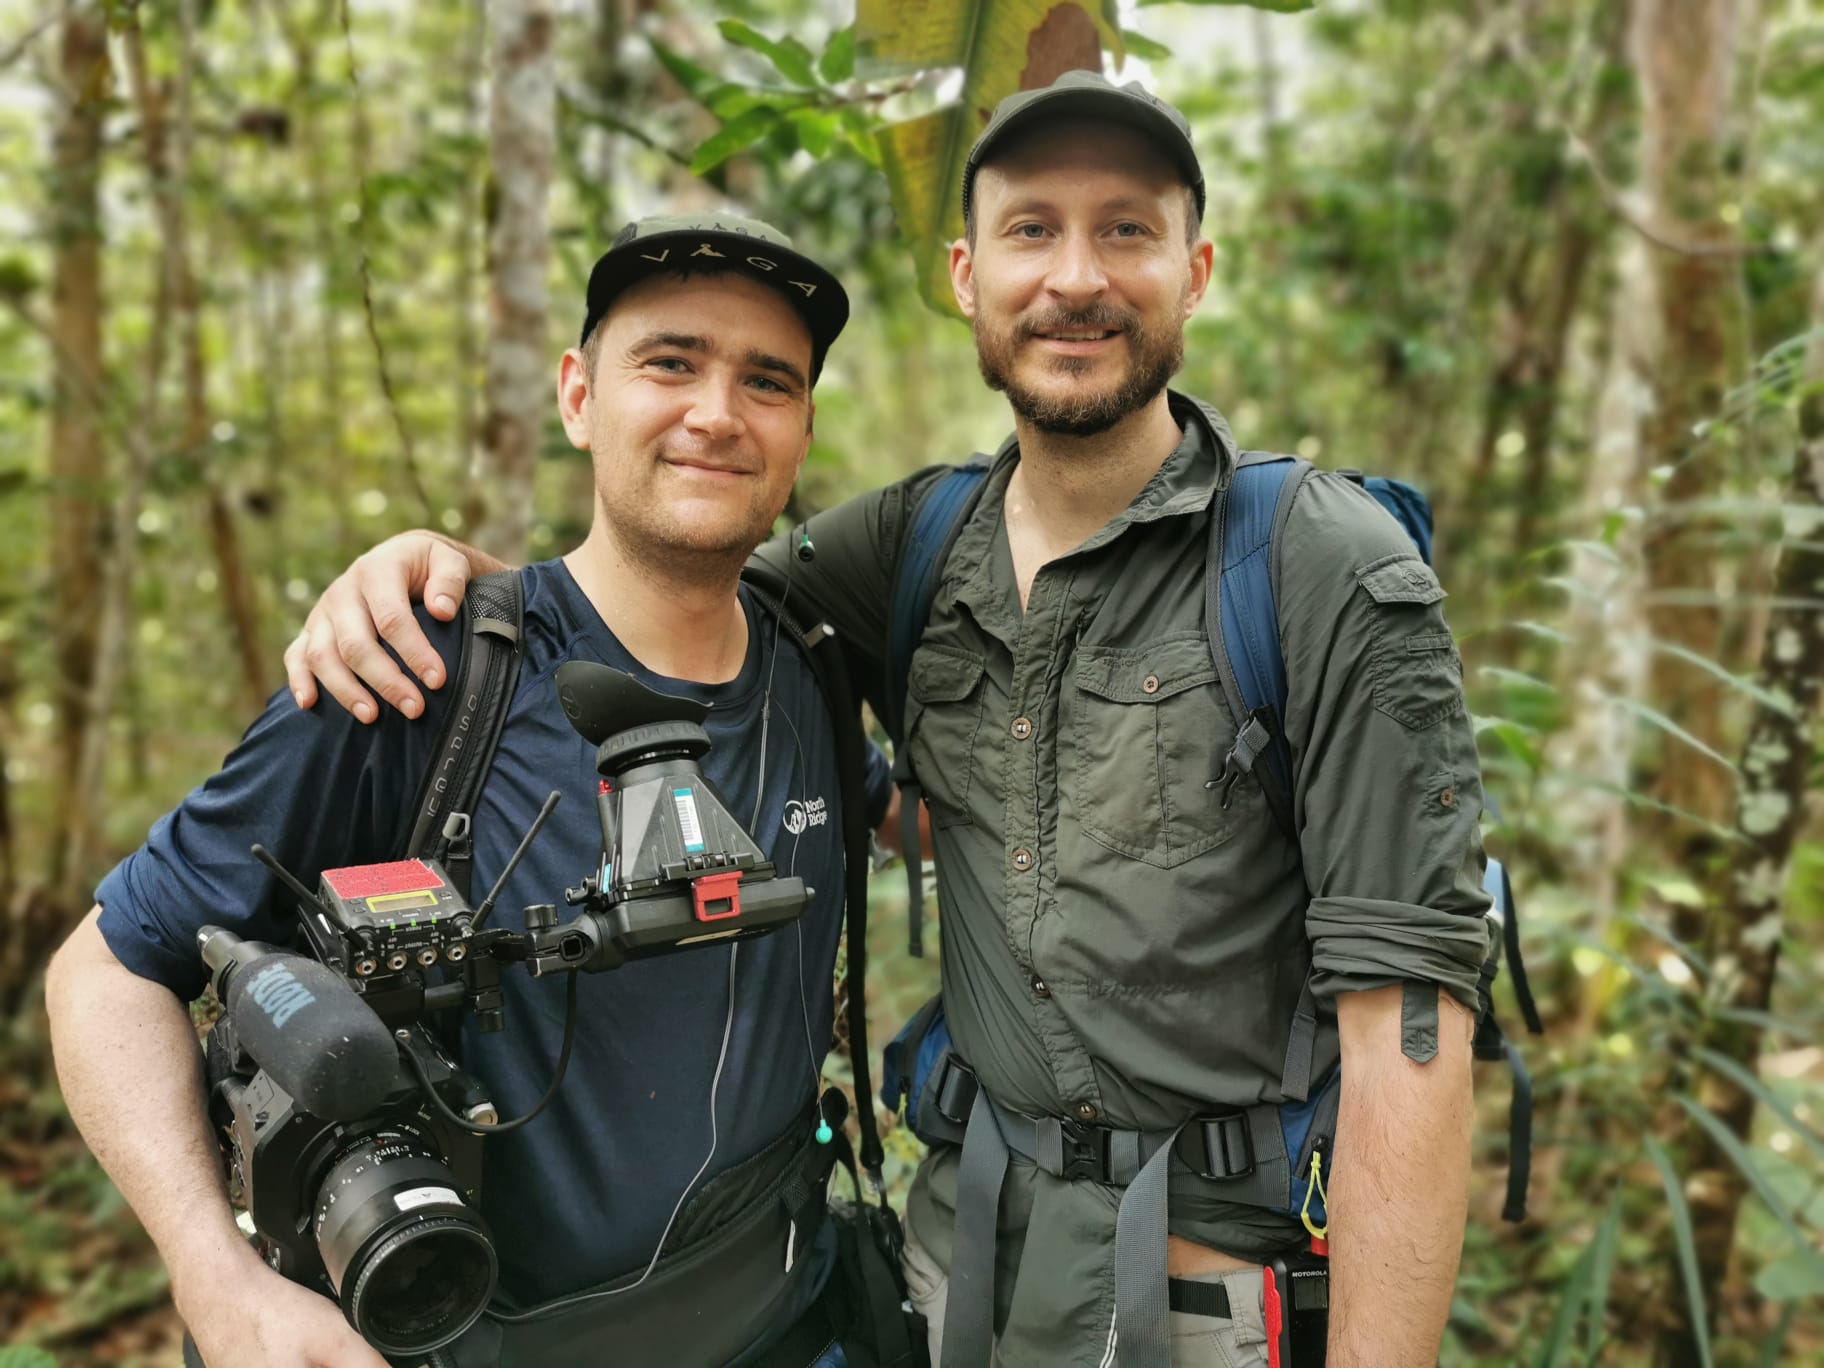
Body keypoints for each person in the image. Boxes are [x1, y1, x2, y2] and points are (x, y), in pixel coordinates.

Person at [285, 73, 1492, 1368]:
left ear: (1195, 268)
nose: (1075, 277)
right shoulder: (912, 547)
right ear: (968, 275)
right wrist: (451, 580)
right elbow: (670, 580)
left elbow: (1410, 1040)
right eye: (1032, 230)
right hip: (952, 1265)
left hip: (1206, 1299)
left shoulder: (1317, 568)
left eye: (1126, 230)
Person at [46, 215, 901, 1368]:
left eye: (767, 381)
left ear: (801, 430)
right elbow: (103, 971)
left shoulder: (812, 670)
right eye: (669, 362)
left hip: (782, 1323)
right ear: (577, 396)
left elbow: (956, 815)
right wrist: (215, 1278)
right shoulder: (416, 671)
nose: (716, 412)